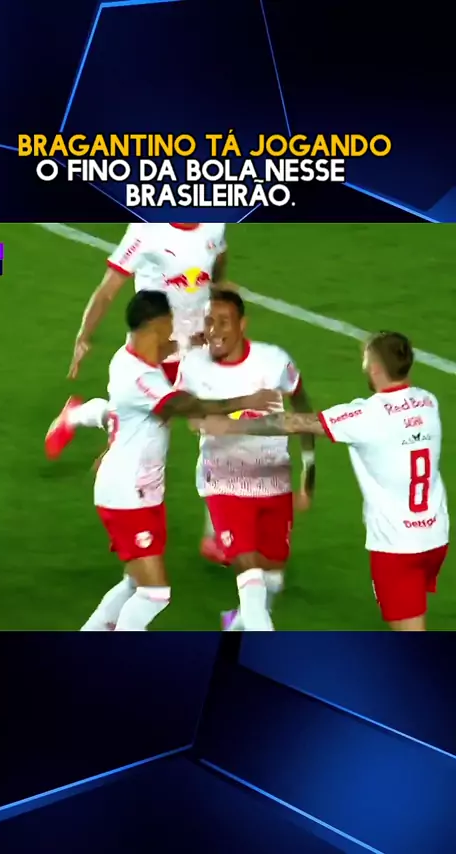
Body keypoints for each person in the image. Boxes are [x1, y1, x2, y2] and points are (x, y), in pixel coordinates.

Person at [48, 290, 279, 631]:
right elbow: (186, 406)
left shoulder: (129, 356)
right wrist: (246, 400)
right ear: (155, 325)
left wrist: (196, 342)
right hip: (128, 495)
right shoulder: (143, 379)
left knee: (133, 584)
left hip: (144, 491)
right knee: (154, 594)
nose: (174, 330)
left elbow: (170, 349)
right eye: (170, 323)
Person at [200, 331, 449, 632]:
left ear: (375, 369)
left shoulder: (366, 415)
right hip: (436, 536)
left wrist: (230, 425)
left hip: (398, 547)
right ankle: (240, 621)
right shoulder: (428, 401)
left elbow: (293, 422)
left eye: (365, 360)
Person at [61, 222, 232, 562]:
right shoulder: (146, 230)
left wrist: (216, 290)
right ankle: (76, 416)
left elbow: (219, 255)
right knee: (145, 440)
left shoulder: (215, 221)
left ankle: (215, 536)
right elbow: (108, 289)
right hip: (156, 354)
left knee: (221, 433)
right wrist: (84, 336)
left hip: (198, 348)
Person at [176, 290, 316, 631]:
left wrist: (309, 472)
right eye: (209, 321)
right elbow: (190, 416)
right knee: (251, 585)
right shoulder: (193, 364)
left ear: (242, 324)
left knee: (272, 580)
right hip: (224, 484)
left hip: (274, 482)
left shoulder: (273, 361)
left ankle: (237, 624)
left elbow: (303, 408)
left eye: (224, 322)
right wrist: (209, 419)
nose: (214, 330)